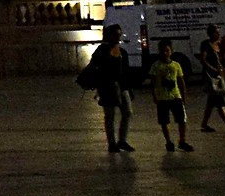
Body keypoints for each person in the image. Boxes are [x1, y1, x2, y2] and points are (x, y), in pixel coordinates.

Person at [81, 22, 136, 152]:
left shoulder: (122, 52)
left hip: (122, 86)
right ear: (109, 35)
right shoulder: (102, 50)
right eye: (116, 35)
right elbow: (94, 66)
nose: (118, 37)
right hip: (107, 86)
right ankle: (112, 143)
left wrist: (129, 88)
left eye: (119, 34)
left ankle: (122, 140)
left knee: (128, 112)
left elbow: (126, 70)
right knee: (110, 115)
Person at [148, 38, 191, 152]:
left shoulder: (176, 65)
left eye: (167, 50)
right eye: (162, 51)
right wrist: (155, 96)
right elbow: (152, 82)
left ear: (171, 51)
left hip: (175, 96)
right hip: (163, 98)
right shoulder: (156, 65)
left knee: (181, 120)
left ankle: (182, 140)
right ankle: (168, 141)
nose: (165, 53)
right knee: (164, 121)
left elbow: (181, 81)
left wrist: (183, 95)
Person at [197, 26, 225, 133]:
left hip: (219, 76)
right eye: (216, 33)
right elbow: (203, 59)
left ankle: (204, 124)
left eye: (218, 32)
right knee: (218, 99)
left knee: (212, 101)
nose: (218, 35)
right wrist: (213, 69)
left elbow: (224, 58)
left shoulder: (220, 45)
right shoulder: (206, 44)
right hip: (210, 76)